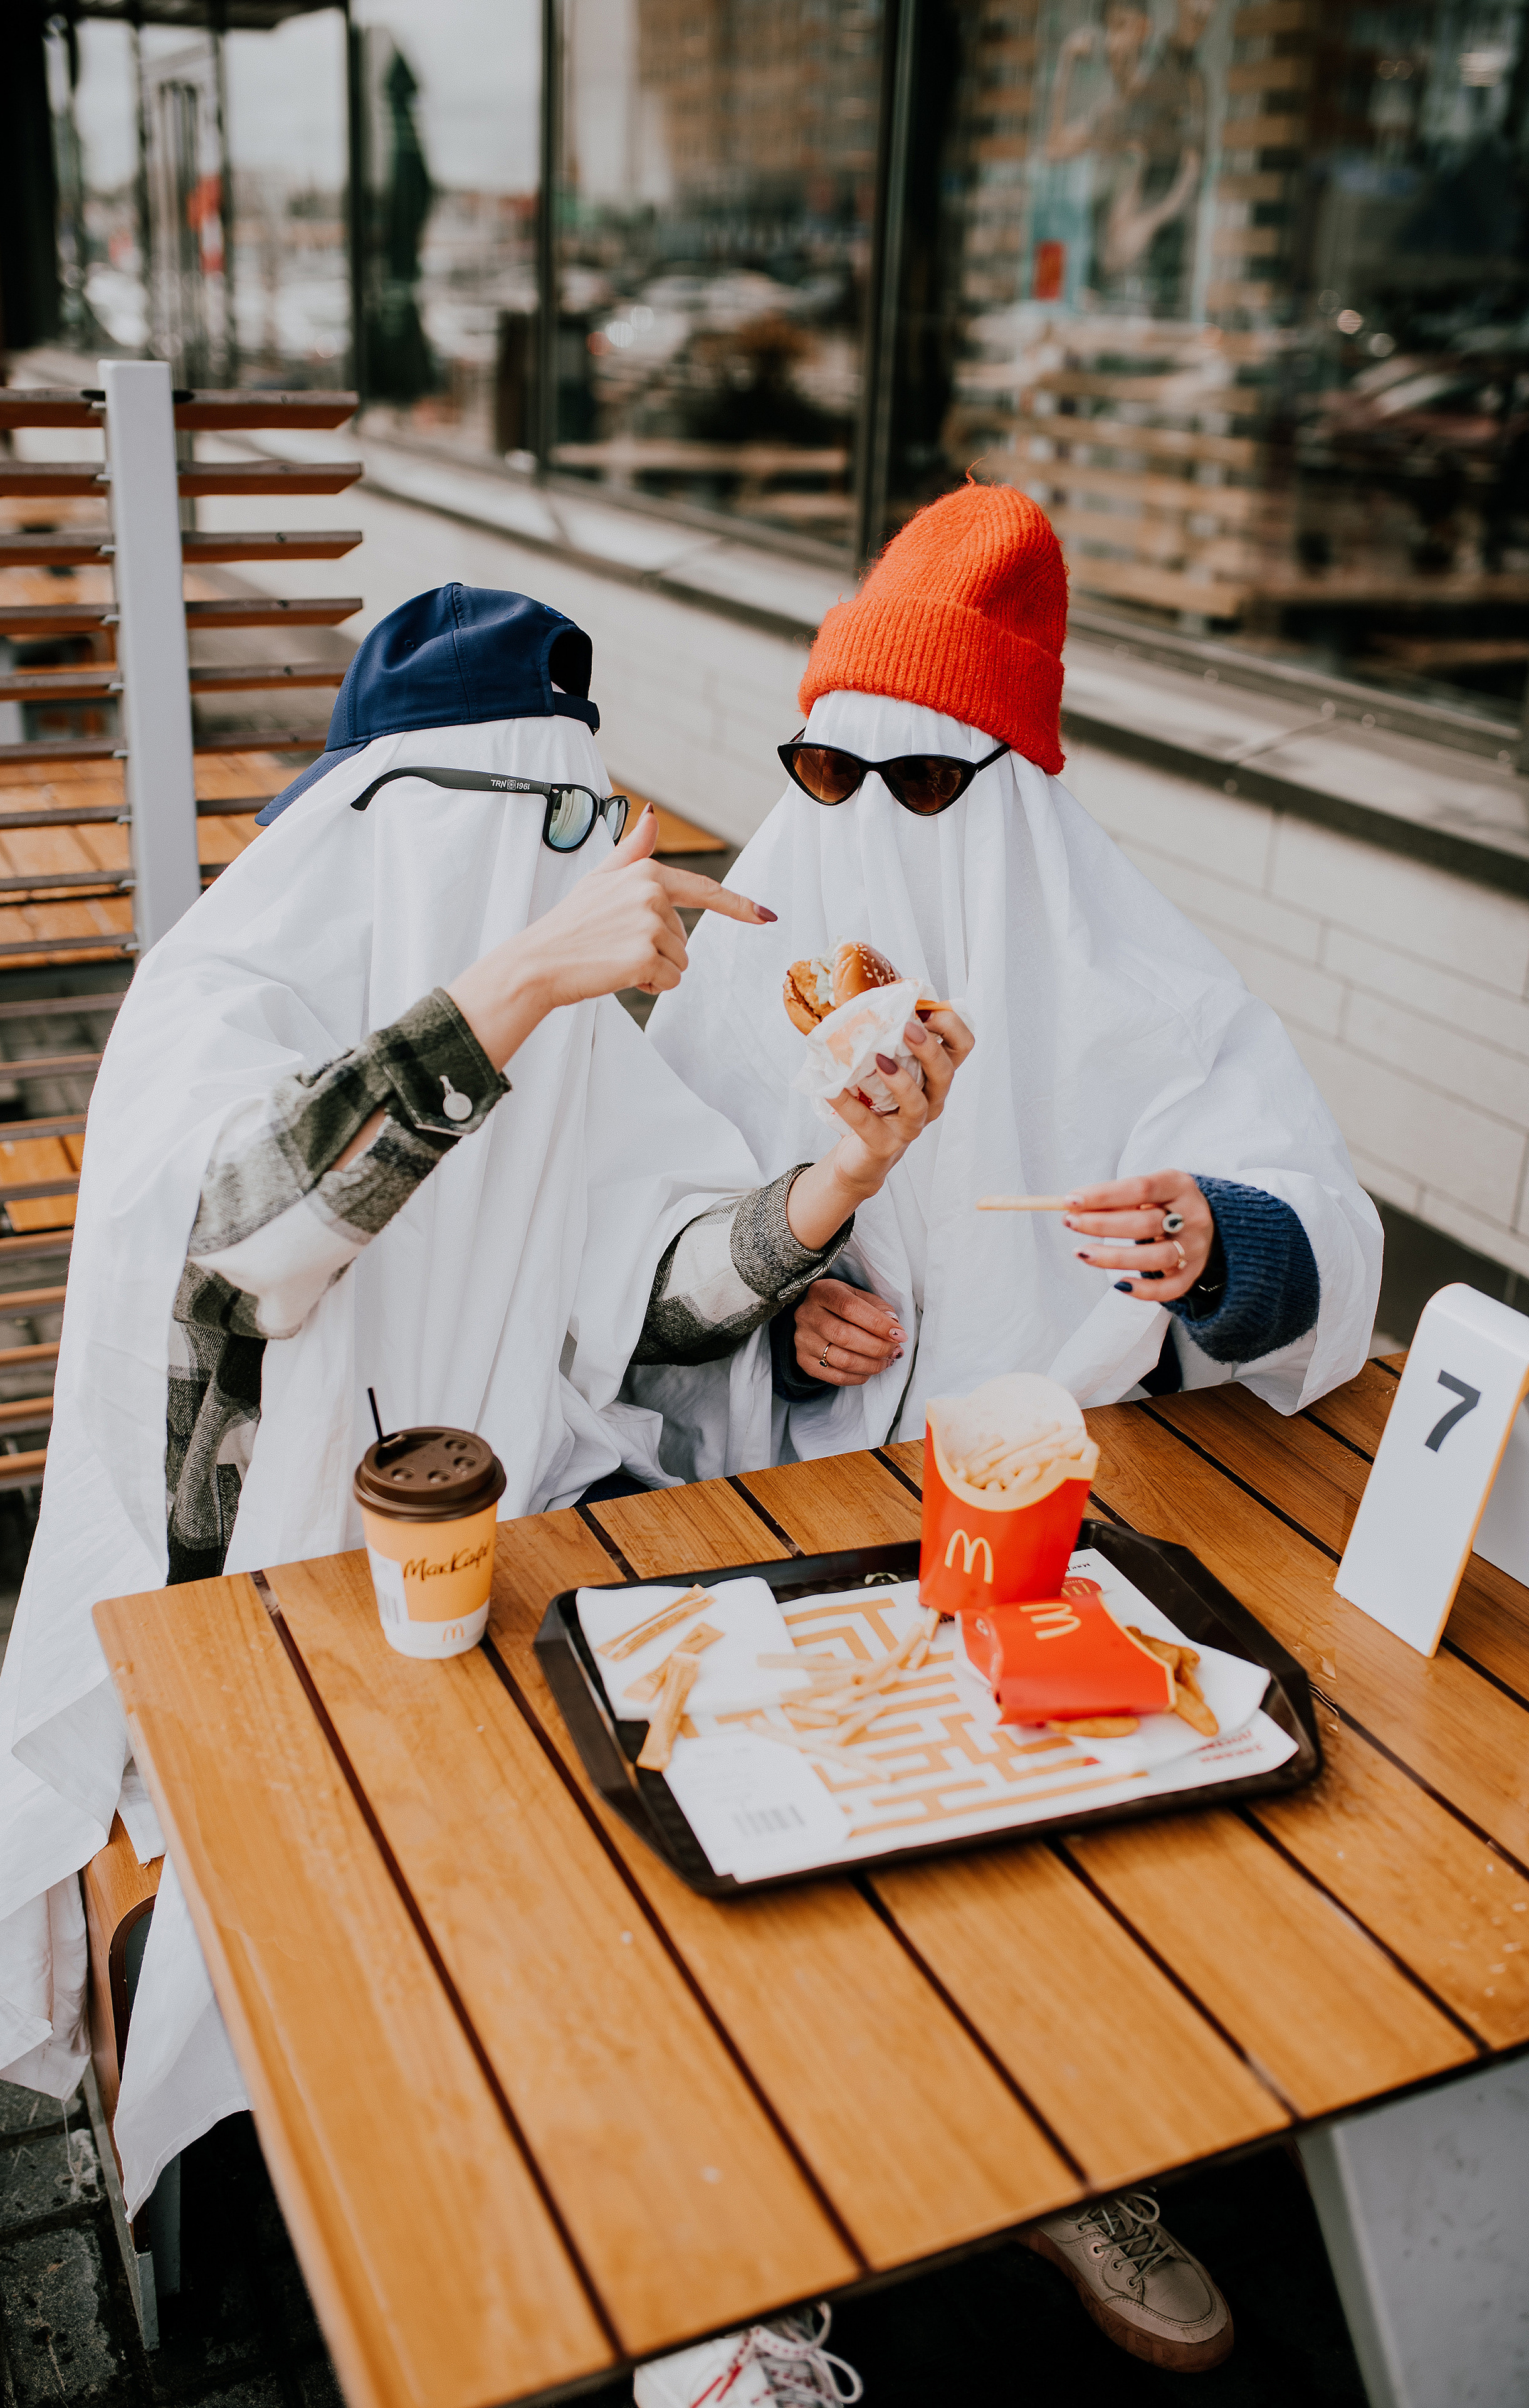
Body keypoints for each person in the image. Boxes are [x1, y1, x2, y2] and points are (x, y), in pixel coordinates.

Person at [0, 583, 965, 2234]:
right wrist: (518, 979)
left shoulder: (555, 1036)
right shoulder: (226, 995)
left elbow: (650, 1282)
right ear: (410, 829)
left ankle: (720, 2213)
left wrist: (838, 1181)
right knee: (503, 1896)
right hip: (247, 1608)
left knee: (736, 1819)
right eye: (549, 829)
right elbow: (244, 1243)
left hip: (518, 1548)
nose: (568, 873)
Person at [639, 479, 1381, 2381]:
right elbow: (647, 1244)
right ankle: (756, 2252)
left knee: (1067, 1860)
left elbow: (1317, 1224)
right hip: (780, 1498)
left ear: (1019, 785)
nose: (872, 822)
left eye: (929, 781)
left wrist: (1223, 1240)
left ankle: (1067, 2153)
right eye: (832, 766)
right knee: (767, 1859)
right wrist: (785, 1309)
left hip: (1053, 1495)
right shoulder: (760, 940)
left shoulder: (1123, 973)